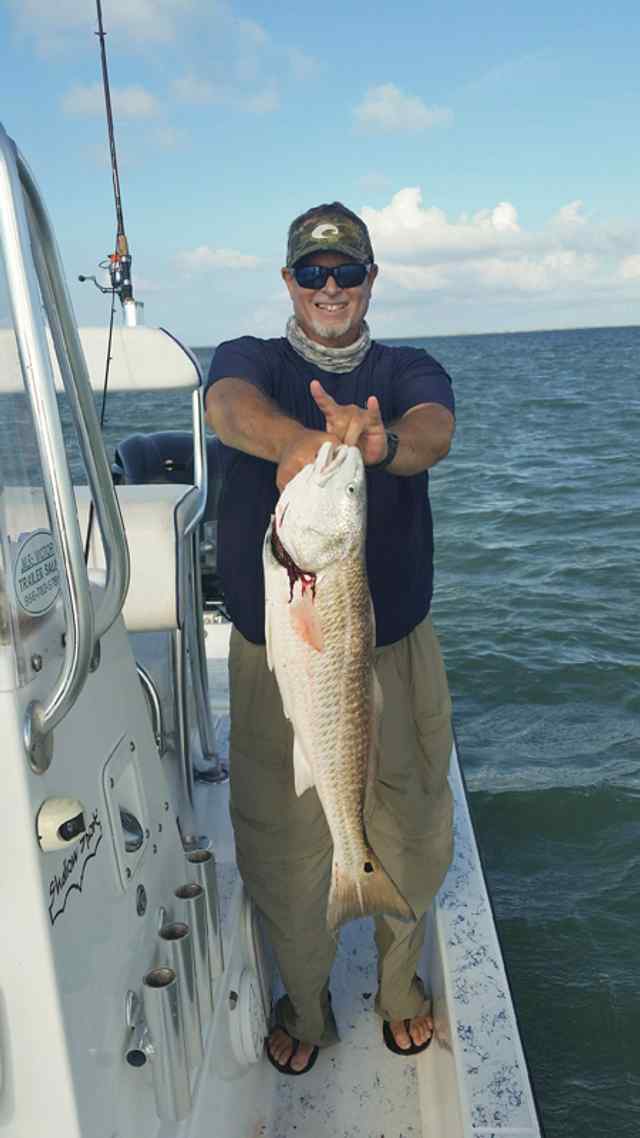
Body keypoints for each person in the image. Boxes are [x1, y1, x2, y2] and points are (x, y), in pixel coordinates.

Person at [205, 202, 455, 1075]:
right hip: (282, 660)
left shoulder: (408, 367)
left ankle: (399, 990)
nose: (331, 288)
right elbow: (228, 410)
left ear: (371, 280)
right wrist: (308, 446)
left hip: (394, 653)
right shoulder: (254, 363)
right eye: (313, 274)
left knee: (414, 822)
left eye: (347, 271)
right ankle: (306, 1009)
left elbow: (434, 432)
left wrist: (379, 447)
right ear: (289, 283)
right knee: (280, 836)